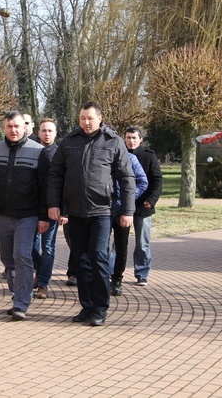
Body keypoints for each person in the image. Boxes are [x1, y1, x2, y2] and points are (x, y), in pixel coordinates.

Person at [47, 101, 135, 327]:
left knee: (98, 257)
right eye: (82, 118)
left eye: (90, 118)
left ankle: (100, 307)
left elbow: (127, 178)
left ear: (100, 118)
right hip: (75, 212)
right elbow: (55, 175)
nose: (86, 122)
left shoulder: (113, 142)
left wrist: (127, 210)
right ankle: (86, 306)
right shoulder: (68, 142)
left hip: (102, 211)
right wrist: (54, 204)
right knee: (81, 260)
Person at [0, 111, 50, 321]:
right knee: (8, 259)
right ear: (4, 128)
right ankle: (16, 294)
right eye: (9, 126)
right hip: (1, 213)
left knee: (22, 256)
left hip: (27, 215)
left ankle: (21, 303)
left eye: (17, 126)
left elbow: (45, 187)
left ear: (25, 127)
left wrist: (43, 216)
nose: (14, 130)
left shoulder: (38, 152)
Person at [114, 126, 163, 289]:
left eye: (134, 138)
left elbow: (156, 180)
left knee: (142, 242)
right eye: (128, 137)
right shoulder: (118, 154)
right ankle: (112, 272)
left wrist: (151, 199)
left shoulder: (149, 156)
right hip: (121, 207)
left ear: (141, 139)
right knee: (118, 242)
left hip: (142, 206)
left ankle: (142, 273)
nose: (131, 141)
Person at [109, 147, 149, 296]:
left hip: (122, 211)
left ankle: (117, 279)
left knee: (121, 247)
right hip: (102, 209)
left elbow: (142, 182)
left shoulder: (130, 159)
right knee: (98, 246)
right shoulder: (100, 156)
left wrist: (127, 198)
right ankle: (101, 277)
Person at [32, 118, 59, 299]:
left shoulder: (60, 154)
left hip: (51, 208)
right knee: (29, 246)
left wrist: (61, 209)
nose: (47, 133)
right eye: (44, 130)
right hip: (31, 207)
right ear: (38, 132)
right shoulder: (32, 151)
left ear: (55, 133)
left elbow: (63, 183)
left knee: (47, 246)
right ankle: (41, 270)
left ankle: (43, 283)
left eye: (50, 130)